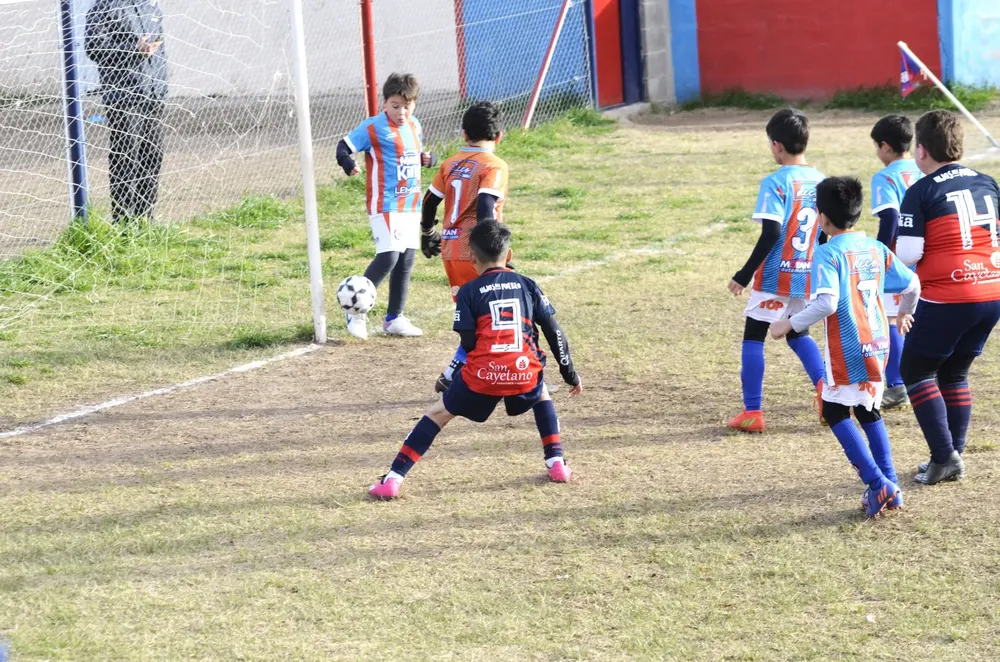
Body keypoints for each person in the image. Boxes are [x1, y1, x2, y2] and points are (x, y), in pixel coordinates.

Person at [368, 221, 582, 500]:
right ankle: (556, 464)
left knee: (437, 414)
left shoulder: (468, 292)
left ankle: (393, 479)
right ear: (510, 255)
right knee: (540, 393)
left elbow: (467, 343)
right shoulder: (528, 285)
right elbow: (554, 331)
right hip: (523, 372)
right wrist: (570, 374)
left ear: (472, 258)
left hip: (482, 376)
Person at [772, 177, 920, 518]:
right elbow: (913, 284)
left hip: (849, 348)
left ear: (822, 217)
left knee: (834, 410)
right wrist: (904, 315)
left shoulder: (827, 253)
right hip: (879, 344)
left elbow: (826, 302)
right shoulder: (876, 248)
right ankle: (892, 487)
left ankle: (876, 482)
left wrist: (788, 324)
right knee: (868, 410)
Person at [896, 110, 1000, 485]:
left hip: (950, 294)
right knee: (954, 371)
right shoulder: (987, 182)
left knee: (915, 370)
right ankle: (953, 452)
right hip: (993, 290)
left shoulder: (922, 190)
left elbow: (908, 253)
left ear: (921, 150)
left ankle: (944, 457)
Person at [727, 109, 826, 433]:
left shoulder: (775, 182)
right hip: (808, 273)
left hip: (776, 274)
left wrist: (743, 274)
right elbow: (824, 232)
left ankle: (752, 412)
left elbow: (771, 233)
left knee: (754, 336)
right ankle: (828, 395)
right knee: (798, 332)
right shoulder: (820, 180)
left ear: (777, 145)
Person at [335, 73, 436, 340]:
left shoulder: (415, 125)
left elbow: (414, 156)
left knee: (405, 260)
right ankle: (355, 312)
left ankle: (394, 319)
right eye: (395, 106)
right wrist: (348, 164)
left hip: (411, 203)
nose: (401, 112)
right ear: (384, 103)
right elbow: (343, 147)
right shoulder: (373, 126)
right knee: (389, 256)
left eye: (407, 106)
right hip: (386, 203)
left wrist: (428, 159)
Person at [421, 101, 509, 393]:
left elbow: (430, 201)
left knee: (474, 317)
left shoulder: (450, 163)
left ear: (463, 133)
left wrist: (427, 233)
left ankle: (461, 373)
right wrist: (491, 254)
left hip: (450, 251)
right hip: (478, 253)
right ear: (499, 136)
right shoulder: (494, 165)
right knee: (498, 313)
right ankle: (500, 375)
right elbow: (486, 204)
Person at [85, 0, 167, 224]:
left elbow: (160, 49)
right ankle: (123, 222)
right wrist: (133, 49)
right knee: (126, 156)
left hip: (153, 93)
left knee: (152, 155)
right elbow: (93, 47)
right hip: (124, 96)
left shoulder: (152, 7)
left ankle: (145, 220)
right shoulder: (104, 7)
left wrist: (161, 85)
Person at [869, 114, 923, 409]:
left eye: (877, 147)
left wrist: (879, 254)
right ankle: (925, 377)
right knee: (916, 313)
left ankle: (897, 385)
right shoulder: (922, 168)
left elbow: (889, 216)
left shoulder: (886, 176)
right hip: (928, 250)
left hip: (900, 256)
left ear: (886, 146)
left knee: (891, 317)